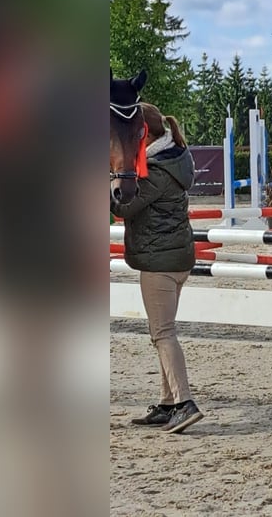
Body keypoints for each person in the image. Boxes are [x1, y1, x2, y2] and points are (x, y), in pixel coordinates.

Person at [110, 104, 204, 434]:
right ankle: (167, 403)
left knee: (162, 333)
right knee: (163, 328)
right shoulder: (175, 159)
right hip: (175, 259)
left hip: (159, 263)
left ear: (143, 134)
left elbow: (123, 206)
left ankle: (184, 402)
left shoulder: (156, 171)